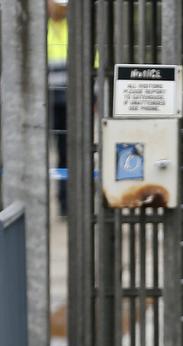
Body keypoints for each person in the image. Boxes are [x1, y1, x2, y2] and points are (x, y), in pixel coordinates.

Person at [48, 0, 69, 216]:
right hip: (44, 103)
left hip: (70, 103)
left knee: (67, 155)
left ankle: (65, 204)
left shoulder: (77, 30)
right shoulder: (38, 29)